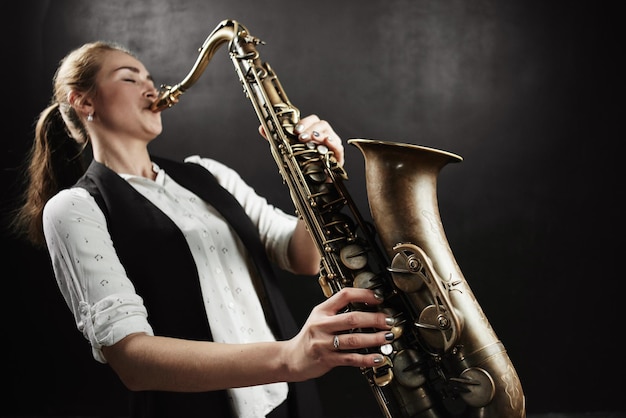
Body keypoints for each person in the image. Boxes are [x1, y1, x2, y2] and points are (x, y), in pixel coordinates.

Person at [12, 41, 396, 418]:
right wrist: (291, 356)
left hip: (288, 401)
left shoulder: (209, 174)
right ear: (84, 102)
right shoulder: (75, 208)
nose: (152, 88)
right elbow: (132, 360)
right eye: (129, 78)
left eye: (150, 77)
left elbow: (302, 256)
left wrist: (318, 179)